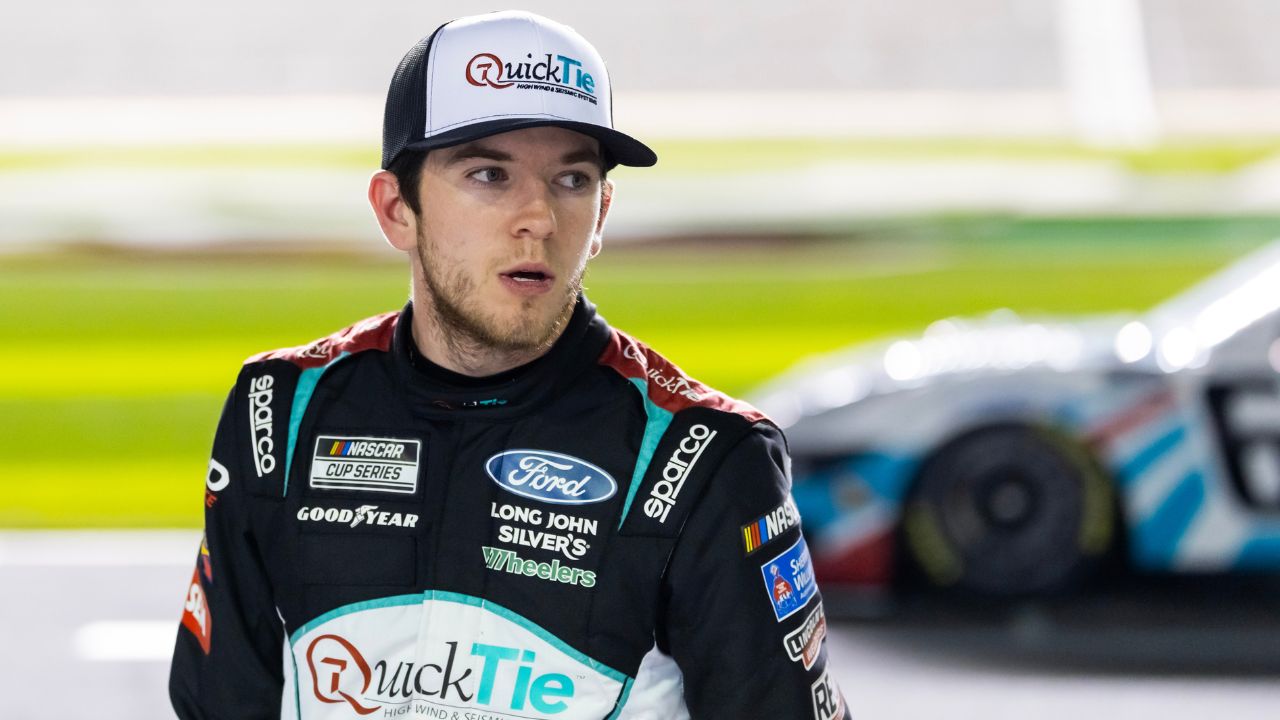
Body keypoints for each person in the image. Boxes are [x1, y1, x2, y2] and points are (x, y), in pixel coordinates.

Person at [169, 10, 849, 719]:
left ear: (603, 215)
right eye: (490, 174)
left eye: (572, 179)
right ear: (397, 209)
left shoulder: (705, 456)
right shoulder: (280, 410)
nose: (539, 219)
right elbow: (219, 702)